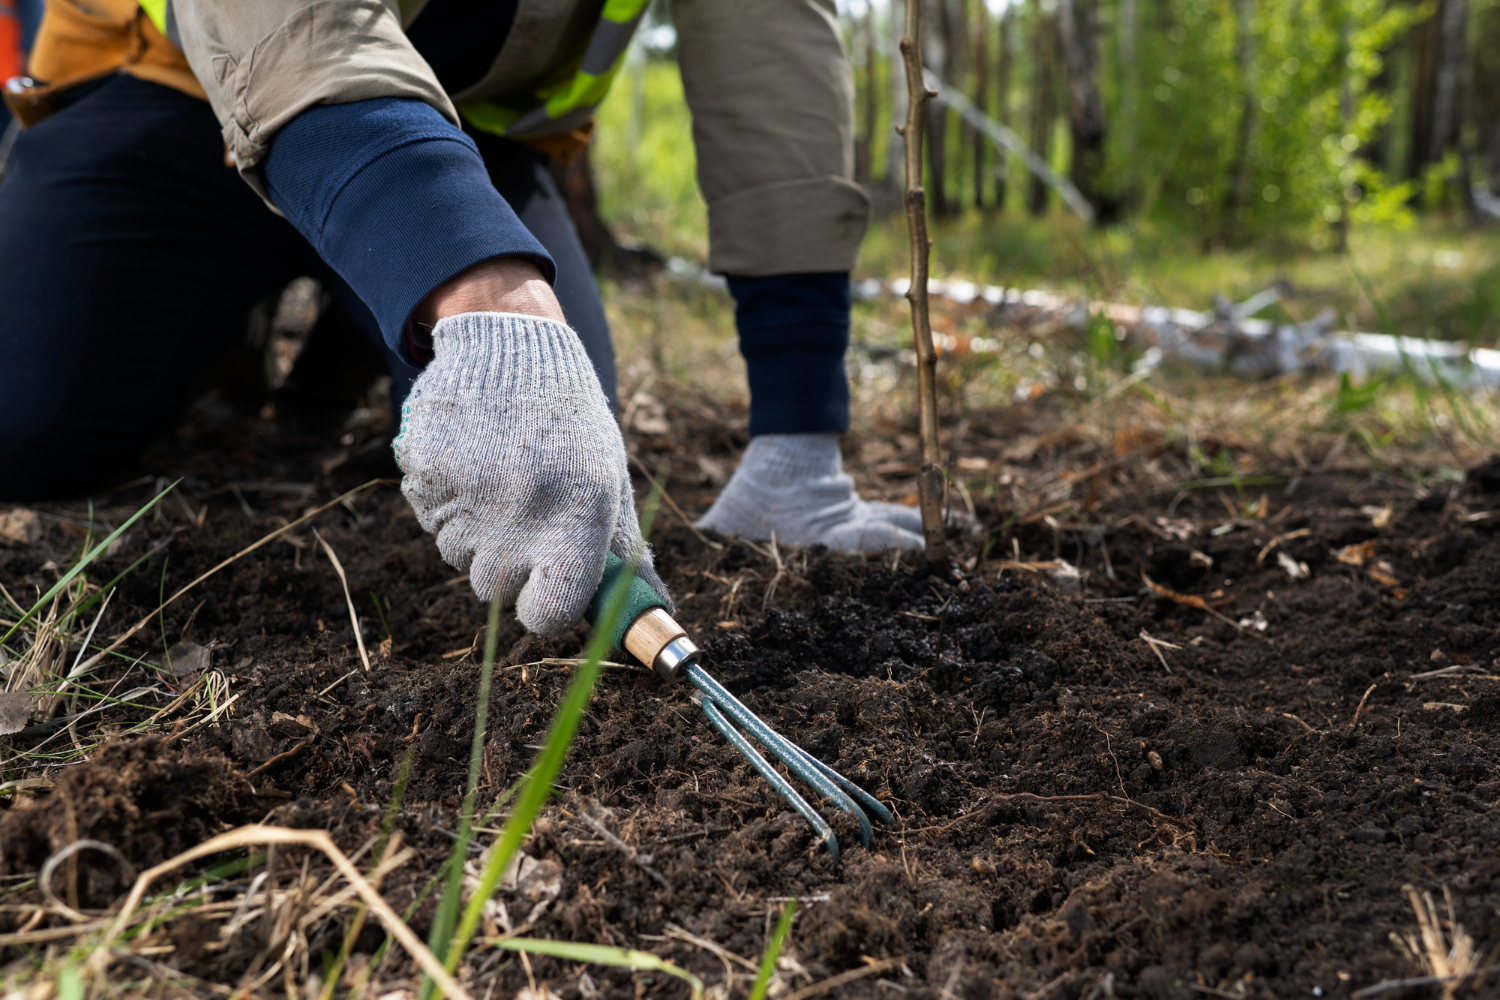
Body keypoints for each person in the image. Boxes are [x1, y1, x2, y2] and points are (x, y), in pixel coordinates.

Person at [0, 0, 929, 637]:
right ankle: (242, 320)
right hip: (177, 95)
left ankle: (361, 314)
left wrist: (797, 437)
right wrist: (487, 296)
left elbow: (770, 60)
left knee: (553, 482)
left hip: (473, 138)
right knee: (28, 426)